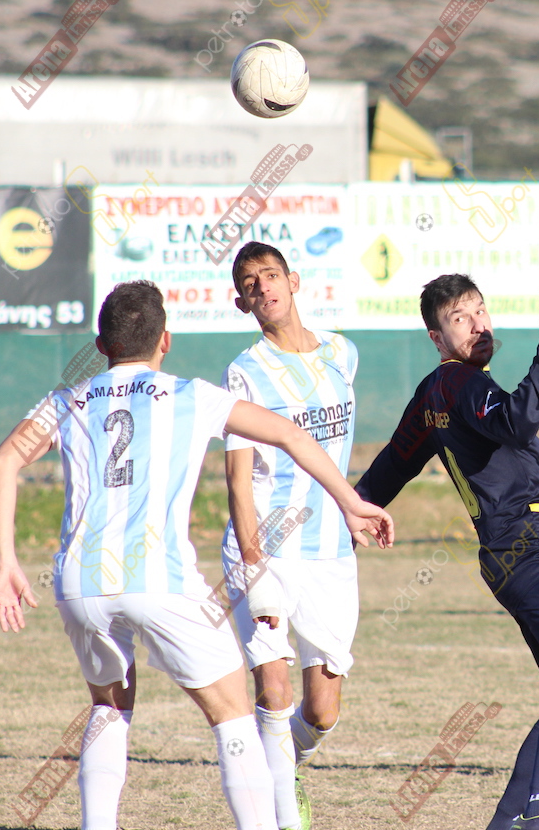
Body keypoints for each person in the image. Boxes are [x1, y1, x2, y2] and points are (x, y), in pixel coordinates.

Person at [0, 280, 393, 830]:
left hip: (81, 585)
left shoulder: (67, 400)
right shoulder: (190, 395)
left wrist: (6, 562)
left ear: (103, 344)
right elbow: (292, 437)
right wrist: (349, 501)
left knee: (109, 708)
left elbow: (6, 461)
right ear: (165, 341)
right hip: (162, 580)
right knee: (233, 718)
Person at [355, 275, 539, 830]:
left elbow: (391, 465)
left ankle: (506, 821)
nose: (478, 325)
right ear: (436, 336)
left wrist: (354, 508)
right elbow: (521, 417)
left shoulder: (434, 394)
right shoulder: (464, 385)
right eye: (460, 319)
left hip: (508, 559)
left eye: (480, 311)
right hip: (533, 552)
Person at [221, 242, 365, 830]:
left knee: (323, 710)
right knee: (273, 693)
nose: (263, 287)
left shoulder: (343, 353)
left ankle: (288, 769)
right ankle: (282, 818)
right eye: (250, 283)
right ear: (241, 301)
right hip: (267, 552)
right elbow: (236, 477)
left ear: (294, 280)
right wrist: (252, 557)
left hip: (330, 551)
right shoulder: (244, 371)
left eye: (271, 276)